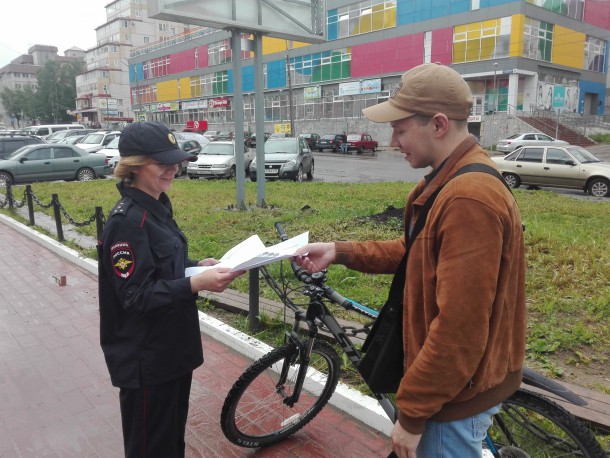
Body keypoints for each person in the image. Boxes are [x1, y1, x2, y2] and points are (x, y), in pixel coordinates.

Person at [294, 63, 526, 458]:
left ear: (438, 124)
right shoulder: (446, 182)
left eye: (400, 129)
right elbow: (417, 251)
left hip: (451, 400)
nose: (392, 141)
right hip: (450, 390)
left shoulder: (468, 197)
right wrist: (339, 251)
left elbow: (460, 328)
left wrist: (414, 415)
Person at [98, 121, 244, 458]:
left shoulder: (157, 205)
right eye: (162, 163)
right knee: (152, 447)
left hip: (172, 350)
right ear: (134, 166)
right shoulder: (126, 221)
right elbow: (135, 295)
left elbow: (160, 264)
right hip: (147, 359)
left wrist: (196, 266)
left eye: (175, 161)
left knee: (170, 442)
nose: (173, 170)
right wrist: (194, 283)